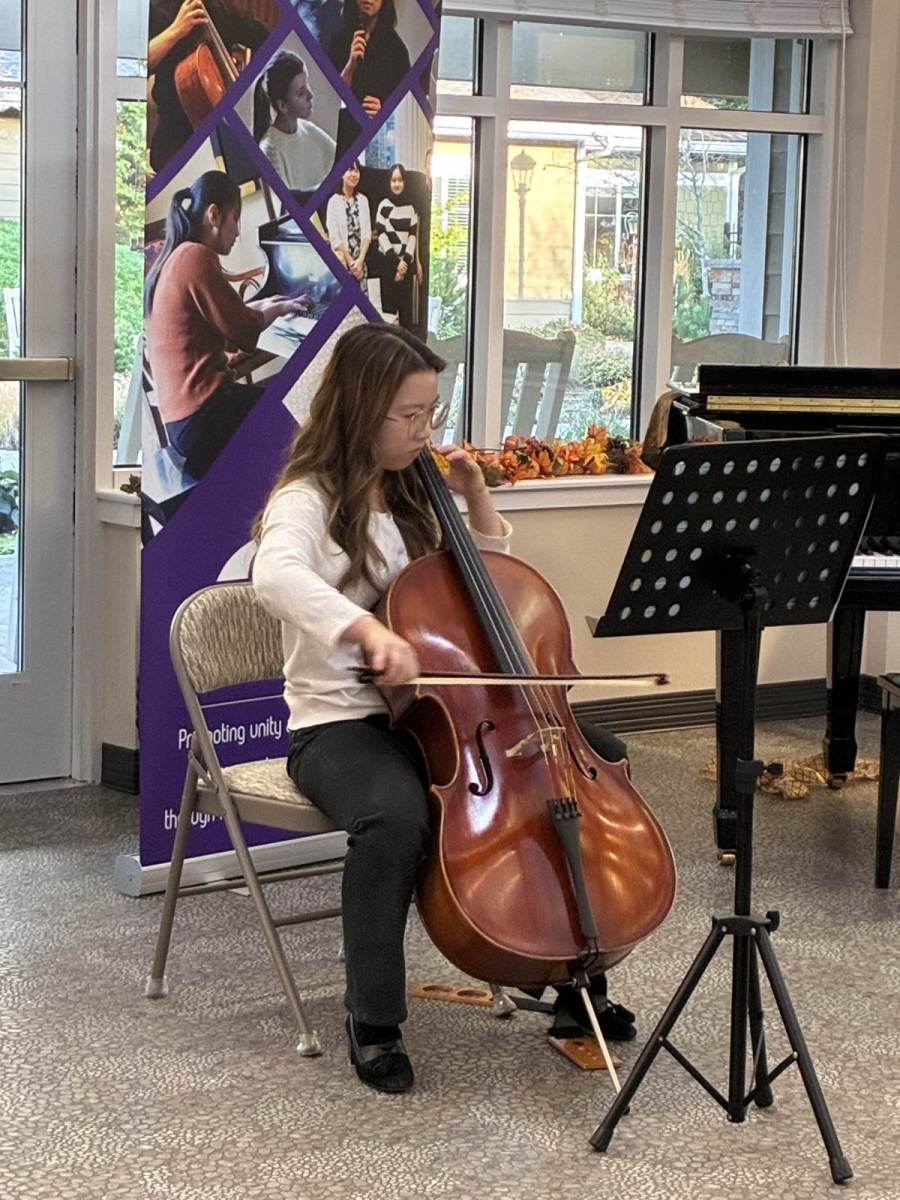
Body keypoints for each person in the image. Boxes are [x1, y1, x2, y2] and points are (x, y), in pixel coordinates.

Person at [252, 324, 635, 1095]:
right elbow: (274, 575)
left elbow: (489, 587)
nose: (424, 430)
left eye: (431, 412)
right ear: (360, 409)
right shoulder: (308, 498)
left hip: (449, 711)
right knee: (394, 817)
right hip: (340, 722)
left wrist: (476, 497)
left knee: (590, 764)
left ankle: (571, 976)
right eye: (408, 415)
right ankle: (373, 1019)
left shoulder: (413, 490)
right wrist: (364, 629)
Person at [144, 171, 310, 481]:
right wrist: (278, 308)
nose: (237, 232)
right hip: (201, 422)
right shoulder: (196, 256)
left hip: (184, 424)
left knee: (280, 402)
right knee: (296, 418)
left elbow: (228, 317)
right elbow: (243, 333)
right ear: (214, 215)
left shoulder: (179, 255)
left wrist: (267, 304)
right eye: (235, 218)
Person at [148, 0, 269, 172]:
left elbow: (266, 39)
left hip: (225, 132)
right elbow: (132, 65)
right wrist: (176, 31)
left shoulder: (218, 7)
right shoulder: (153, 8)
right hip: (177, 135)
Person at [329, 0, 411, 155]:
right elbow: (327, 99)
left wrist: (384, 113)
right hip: (340, 138)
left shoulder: (397, 50)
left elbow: (405, 111)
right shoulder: (338, 40)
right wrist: (350, 66)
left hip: (374, 143)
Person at [253, 51, 337, 193]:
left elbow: (339, 157)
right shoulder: (270, 149)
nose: (311, 95)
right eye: (301, 93)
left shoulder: (308, 129)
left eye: (307, 85)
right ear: (282, 106)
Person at [375, 164, 421, 331]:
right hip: (387, 265)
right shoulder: (383, 206)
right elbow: (381, 234)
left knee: (406, 316)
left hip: (406, 266)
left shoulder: (411, 208)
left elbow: (412, 236)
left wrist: (404, 264)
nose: (397, 184)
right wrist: (396, 263)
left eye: (400, 180)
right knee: (388, 316)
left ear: (404, 182)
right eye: (394, 180)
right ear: (389, 182)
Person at [325, 160, 372, 294]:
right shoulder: (333, 201)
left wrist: (360, 261)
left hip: (361, 265)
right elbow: (334, 237)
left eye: (357, 171)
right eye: (350, 170)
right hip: (343, 263)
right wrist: (351, 263)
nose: (354, 174)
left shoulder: (363, 200)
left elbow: (367, 234)